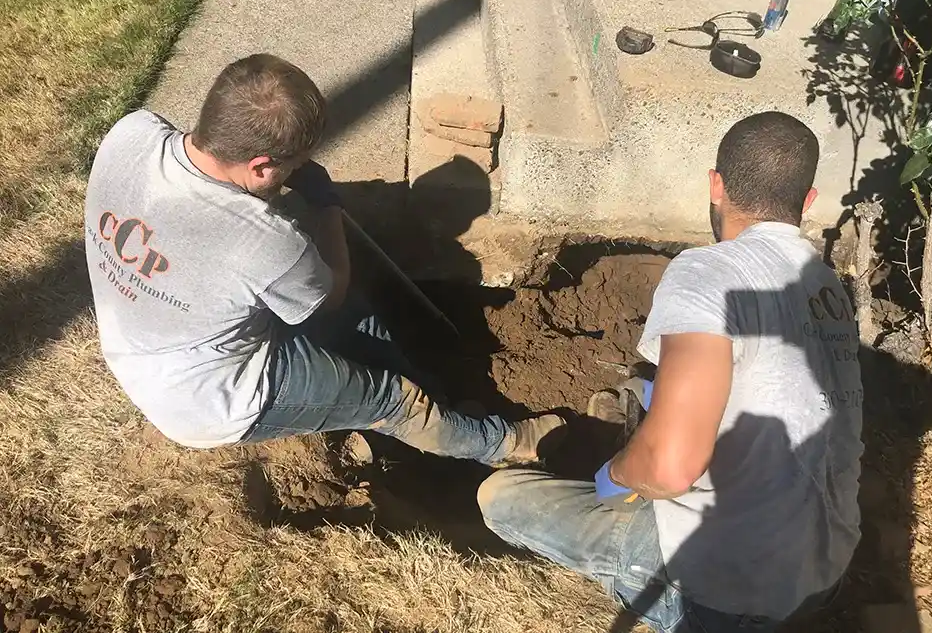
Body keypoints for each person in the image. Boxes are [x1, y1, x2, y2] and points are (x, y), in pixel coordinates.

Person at [477, 111, 864, 632]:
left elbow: (669, 471)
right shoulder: (827, 287)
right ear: (808, 200)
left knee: (501, 498)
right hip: (822, 570)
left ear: (716, 185)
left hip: (728, 594)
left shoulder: (707, 272)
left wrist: (614, 474)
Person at [83, 52, 564, 466]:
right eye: (292, 166)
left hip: (146, 339)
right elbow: (330, 295)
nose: (295, 173)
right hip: (211, 398)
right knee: (389, 398)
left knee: (361, 321)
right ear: (262, 166)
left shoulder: (131, 133)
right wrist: (327, 206)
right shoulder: (264, 241)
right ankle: (502, 444)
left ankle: (426, 386)